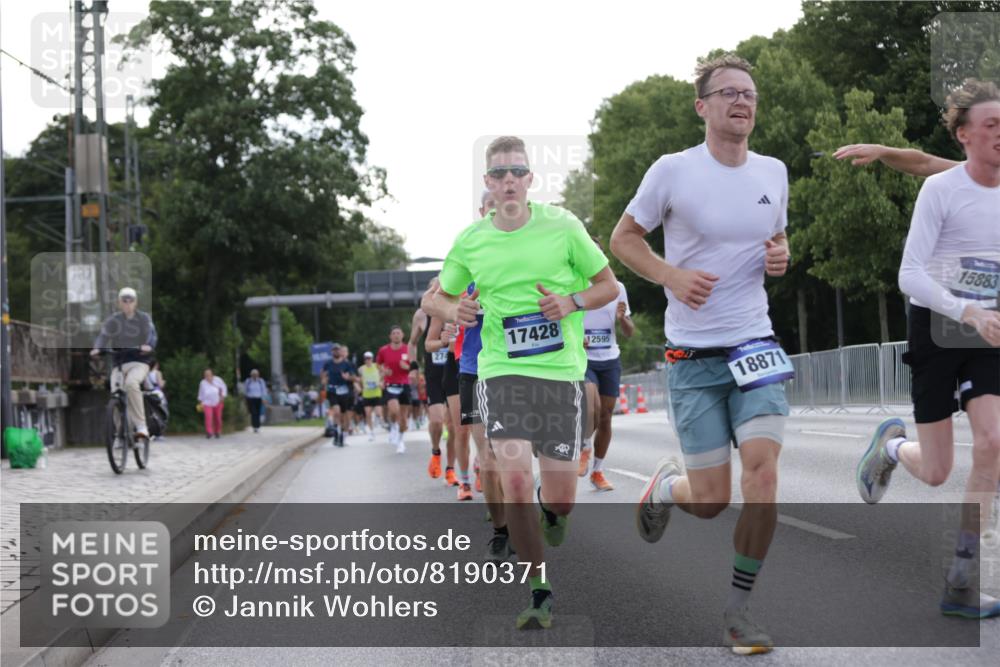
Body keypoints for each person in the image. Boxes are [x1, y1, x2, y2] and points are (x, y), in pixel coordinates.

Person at [610, 55, 791, 655]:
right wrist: (670, 275)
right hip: (693, 355)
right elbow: (623, 238)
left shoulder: (773, 171)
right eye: (730, 93)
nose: (743, 102)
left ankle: (739, 612)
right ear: (703, 106)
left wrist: (779, 257)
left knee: (762, 479)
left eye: (751, 93)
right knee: (711, 500)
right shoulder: (673, 171)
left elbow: (775, 236)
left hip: (755, 345)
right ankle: (667, 488)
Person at [424, 135, 617, 630]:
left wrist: (570, 303)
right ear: (488, 184)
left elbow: (608, 286)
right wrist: (454, 308)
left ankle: (552, 514)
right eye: (499, 174)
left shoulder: (563, 225)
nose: (508, 180)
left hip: (559, 374)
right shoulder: (472, 240)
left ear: (530, 180)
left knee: (560, 496)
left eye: (517, 172)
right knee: (512, 477)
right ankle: (539, 589)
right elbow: (434, 300)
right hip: (501, 370)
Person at [854, 79, 1000, 619]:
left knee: (993, 441)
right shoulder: (943, 189)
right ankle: (891, 449)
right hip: (939, 329)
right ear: (963, 136)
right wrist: (967, 310)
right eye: (990, 125)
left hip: (987, 335)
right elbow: (909, 274)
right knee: (937, 470)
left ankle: (962, 579)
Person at [579, 235, 635, 491]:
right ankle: (583, 447)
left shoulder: (617, 287)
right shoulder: (574, 286)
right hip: (584, 359)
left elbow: (629, 332)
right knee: (593, 406)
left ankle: (598, 472)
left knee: (606, 417)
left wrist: (622, 319)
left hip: (610, 357)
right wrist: (576, 340)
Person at [90, 286, 157, 442]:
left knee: (131, 383)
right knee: (116, 393)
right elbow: (103, 334)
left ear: (135, 303)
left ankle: (141, 426)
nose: (127, 304)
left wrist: (148, 344)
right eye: (124, 301)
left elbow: (151, 334)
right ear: (119, 303)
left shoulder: (143, 318)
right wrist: (97, 348)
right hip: (119, 363)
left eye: (130, 301)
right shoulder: (114, 320)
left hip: (139, 361)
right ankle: (121, 433)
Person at [410, 300, 452, 477]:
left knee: (455, 428)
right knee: (436, 421)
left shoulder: (455, 311)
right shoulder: (421, 315)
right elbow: (412, 343)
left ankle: (451, 469)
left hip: (454, 373)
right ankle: (435, 452)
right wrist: (413, 367)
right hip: (433, 377)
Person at [376, 324, 412, 453]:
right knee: (393, 411)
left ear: (402, 335)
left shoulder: (408, 349)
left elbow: (414, 366)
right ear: (390, 336)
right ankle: (393, 427)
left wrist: (406, 367)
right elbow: (378, 364)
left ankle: (400, 441)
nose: (396, 335)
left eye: (398, 333)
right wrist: (384, 370)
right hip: (390, 384)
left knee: (404, 420)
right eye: (394, 333)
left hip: (404, 385)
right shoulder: (383, 350)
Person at [321, 343, 358, 447]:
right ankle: (337, 431)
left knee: (343, 415)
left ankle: (341, 433)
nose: (336, 352)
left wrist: (348, 378)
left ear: (340, 352)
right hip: (332, 391)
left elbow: (355, 378)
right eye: (334, 350)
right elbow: (323, 376)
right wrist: (324, 380)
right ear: (331, 352)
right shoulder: (328, 364)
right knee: (336, 412)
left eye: (337, 350)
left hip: (344, 391)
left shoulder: (347, 364)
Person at [359, 351, 383, 441]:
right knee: (368, 414)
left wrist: (381, 382)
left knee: (378, 413)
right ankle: (371, 432)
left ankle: (378, 420)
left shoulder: (377, 366)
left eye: (369, 358)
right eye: (366, 358)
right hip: (367, 394)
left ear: (372, 359)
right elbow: (359, 379)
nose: (367, 360)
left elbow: (384, 374)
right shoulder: (361, 369)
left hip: (376, 393)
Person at [198, 368, 228, 439]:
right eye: (206, 375)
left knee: (218, 418)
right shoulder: (202, 383)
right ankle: (209, 432)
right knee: (208, 417)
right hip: (207, 403)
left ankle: (217, 431)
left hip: (218, 402)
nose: (207, 376)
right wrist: (201, 402)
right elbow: (201, 393)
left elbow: (224, 388)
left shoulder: (218, 380)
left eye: (209, 374)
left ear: (212, 374)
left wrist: (223, 396)